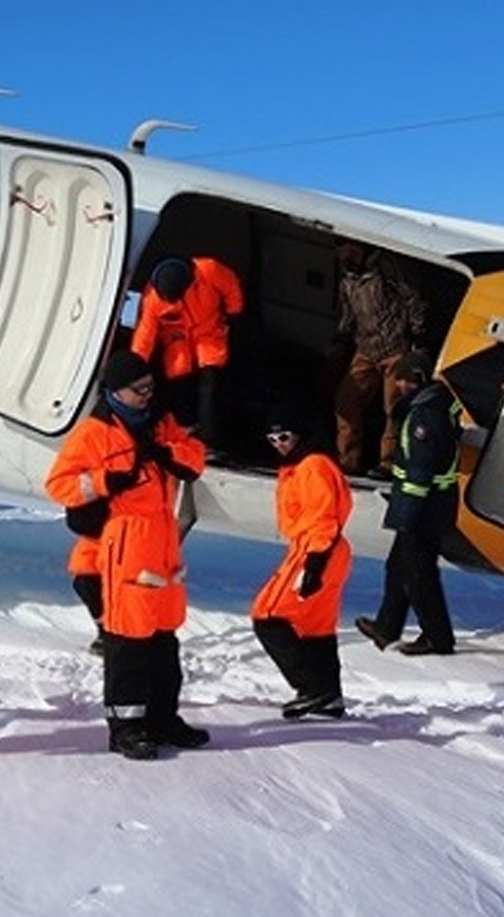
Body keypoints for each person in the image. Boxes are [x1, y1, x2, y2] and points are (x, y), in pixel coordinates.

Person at [45, 350, 209, 760]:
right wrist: (105, 480)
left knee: (164, 637)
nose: (147, 395)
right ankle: (126, 728)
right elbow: (59, 485)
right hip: (125, 539)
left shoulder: (161, 422)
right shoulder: (92, 434)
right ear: (116, 391)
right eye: (140, 390)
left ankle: (163, 719)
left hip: (164, 536)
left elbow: (194, 457)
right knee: (128, 639)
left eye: (150, 387)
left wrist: (167, 453)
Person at [356, 349, 461, 656]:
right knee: (398, 566)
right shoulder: (434, 404)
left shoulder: (424, 417)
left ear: (414, 380)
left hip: (424, 508)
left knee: (419, 574)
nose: (398, 386)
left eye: (402, 380)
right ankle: (386, 627)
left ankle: (438, 638)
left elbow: (419, 470)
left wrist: (406, 516)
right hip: (431, 505)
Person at [251, 417, 354, 719]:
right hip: (323, 548)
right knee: (315, 626)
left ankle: (312, 688)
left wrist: (315, 562)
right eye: (273, 440)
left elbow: (323, 515)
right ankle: (329, 696)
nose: (280, 444)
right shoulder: (304, 465)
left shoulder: (312, 466)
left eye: (284, 436)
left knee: (267, 615)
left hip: (317, 548)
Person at [330, 241, 429, 478]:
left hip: (396, 348)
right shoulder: (347, 278)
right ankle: (348, 461)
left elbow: (413, 299)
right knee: (345, 402)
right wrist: (340, 339)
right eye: (342, 252)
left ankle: (388, 463)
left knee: (393, 408)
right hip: (365, 348)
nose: (346, 257)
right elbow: (347, 313)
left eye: (351, 251)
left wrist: (418, 334)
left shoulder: (387, 267)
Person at [129, 255, 244, 452]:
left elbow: (231, 285)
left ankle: (210, 441)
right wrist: (134, 364)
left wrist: (235, 313)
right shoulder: (152, 299)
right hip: (178, 343)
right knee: (178, 382)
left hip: (209, 333)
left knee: (210, 385)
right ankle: (185, 431)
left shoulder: (208, 270)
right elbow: (145, 334)